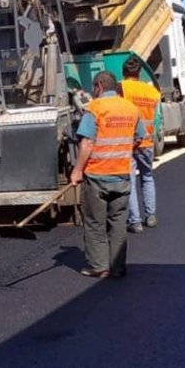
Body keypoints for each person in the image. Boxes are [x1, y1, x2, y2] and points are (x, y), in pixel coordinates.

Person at [70, 71, 144, 278]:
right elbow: (139, 138)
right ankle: (117, 267)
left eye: (94, 87)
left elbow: (87, 143)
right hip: (122, 176)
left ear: (99, 86)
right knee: (118, 223)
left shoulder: (95, 108)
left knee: (95, 223)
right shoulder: (131, 108)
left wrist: (77, 170)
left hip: (97, 176)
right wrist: (122, 152)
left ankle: (99, 266)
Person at [119, 55, 162, 234]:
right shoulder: (152, 91)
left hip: (129, 141)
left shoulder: (121, 87)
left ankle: (135, 221)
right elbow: (156, 115)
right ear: (139, 73)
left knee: (130, 180)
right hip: (147, 140)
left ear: (124, 72)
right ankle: (150, 216)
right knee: (147, 176)